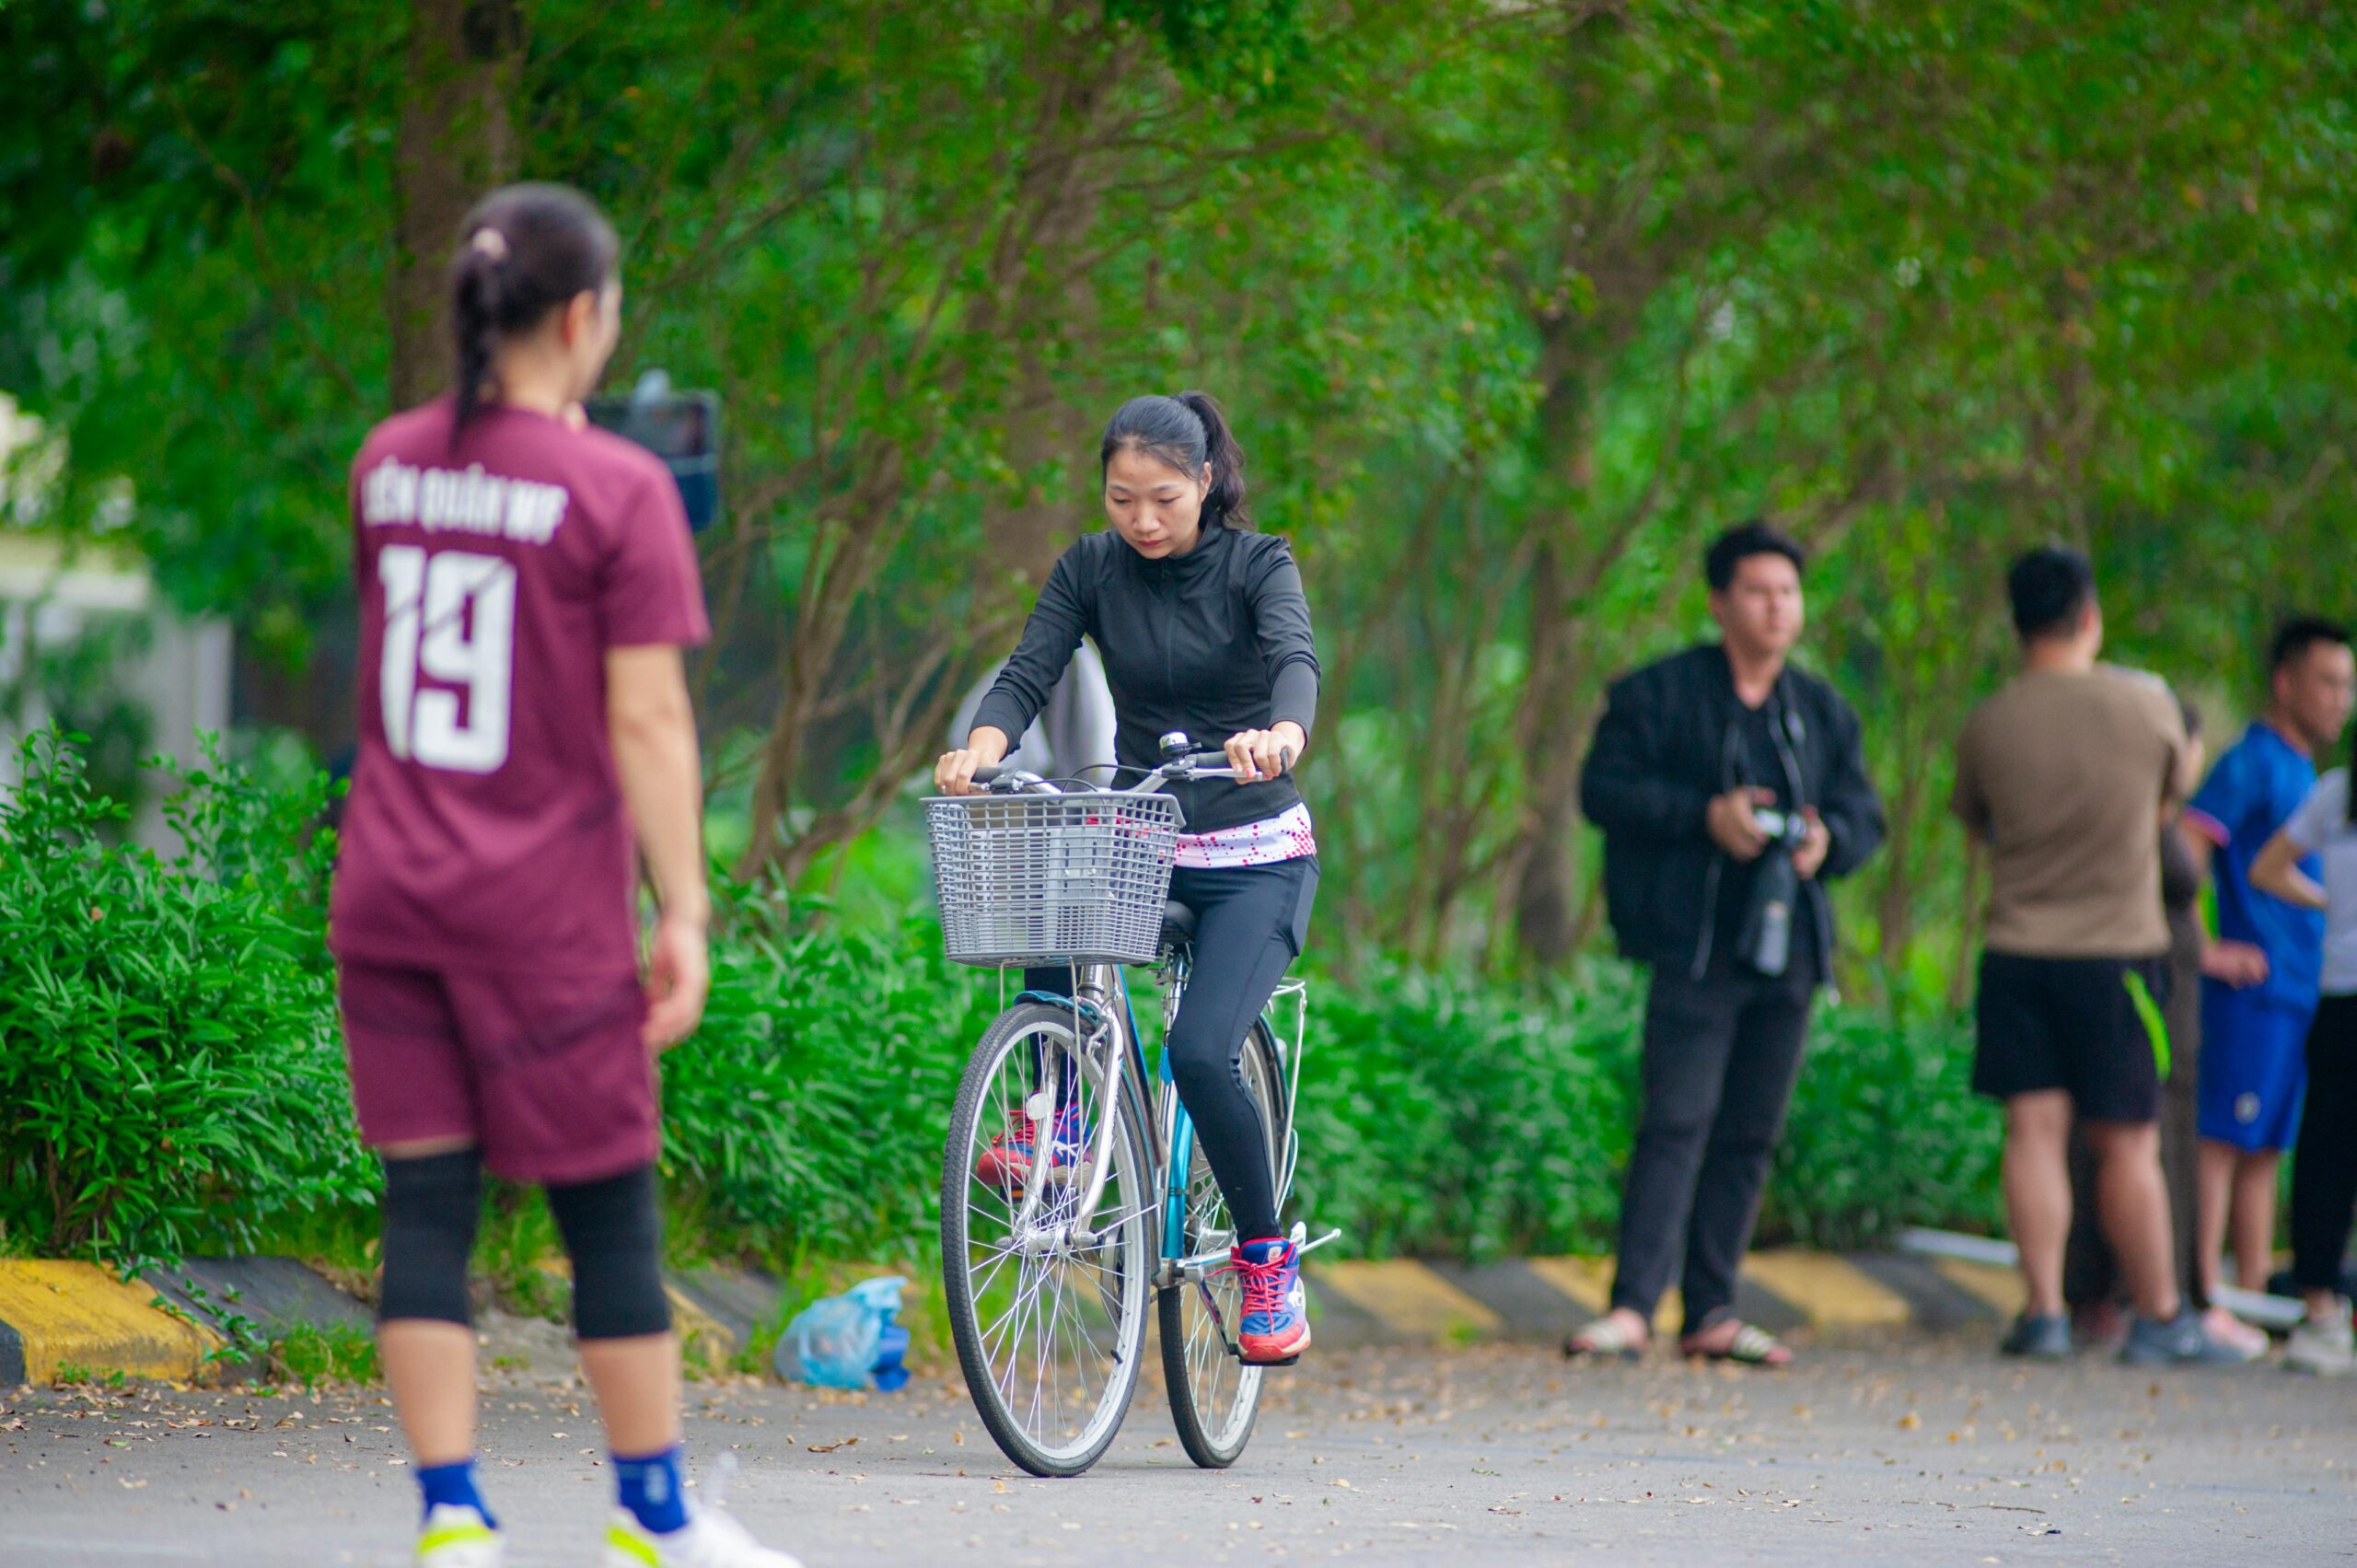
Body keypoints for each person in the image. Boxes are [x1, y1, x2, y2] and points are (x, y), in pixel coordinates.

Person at [332, 184, 798, 1568]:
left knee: (426, 1206)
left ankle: (450, 1519)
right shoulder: (619, 491)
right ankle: (653, 1514)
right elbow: (648, 718)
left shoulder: (385, 461)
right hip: (542, 913)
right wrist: (689, 908)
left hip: (393, 897)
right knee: (607, 1208)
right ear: (587, 316)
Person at [935, 390, 1322, 1365]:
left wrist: (1281, 733)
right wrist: (980, 748)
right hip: (1147, 835)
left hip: (1253, 856)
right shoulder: (1091, 568)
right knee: (1052, 902)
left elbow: (1294, 659)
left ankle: (1266, 1257)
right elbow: (1030, 670)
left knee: (1198, 1052)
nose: (1142, 521)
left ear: (1203, 482)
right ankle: (1060, 1125)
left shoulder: (1257, 563)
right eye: (1121, 499)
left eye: (1162, 499)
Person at [1565, 521, 1885, 1367]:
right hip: (1696, 946)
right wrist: (1705, 816)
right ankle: (1633, 1307)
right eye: (1757, 591)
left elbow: (1866, 815)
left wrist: (1827, 841)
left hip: (1790, 950)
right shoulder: (1661, 694)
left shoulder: (1819, 711)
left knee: (1750, 1130)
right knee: (1675, 1120)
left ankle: (1712, 1307)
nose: (1776, 607)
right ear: (1719, 602)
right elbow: (1602, 790)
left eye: (1788, 592)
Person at [1951, 546, 2234, 1365]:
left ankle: (2042, 1313)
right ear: (2089, 616)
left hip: (2017, 951)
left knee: (2032, 1131)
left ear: (2017, 624)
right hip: (2117, 956)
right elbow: (2175, 793)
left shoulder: (1990, 720)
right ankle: (2159, 1314)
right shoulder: (2143, 710)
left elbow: (1977, 820)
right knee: (2127, 1139)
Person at [2180, 617, 2355, 1356]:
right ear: (2285, 681)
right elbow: (2188, 843)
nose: (2340, 699)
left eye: (2349, 685)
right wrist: (2205, 946)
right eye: (2327, 680)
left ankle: (2249, 1302)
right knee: (2221, 1142)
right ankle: (2200, 1298)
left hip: (2299, 990)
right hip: (2248, 989)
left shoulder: (2310, 777)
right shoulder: (2251, 761)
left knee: (2266, 1151)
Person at [2062, 692, 2258, 1346]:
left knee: (2168, 1135)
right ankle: (2119, 1292)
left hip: (2179, 987)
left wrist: (2207, 952)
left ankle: (2177, 1293)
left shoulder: (2164, 813)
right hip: (2138, 985)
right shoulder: (2127, 812)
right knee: (2126, 1133)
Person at [2248, 744, 2357, 1375]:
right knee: (2325, 1153)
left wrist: (2331, 909)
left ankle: (2320, 1311)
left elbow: (2266, 868)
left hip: (2340, 993)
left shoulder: (2339, 791)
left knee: (2326, 1153)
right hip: (2339, 994)